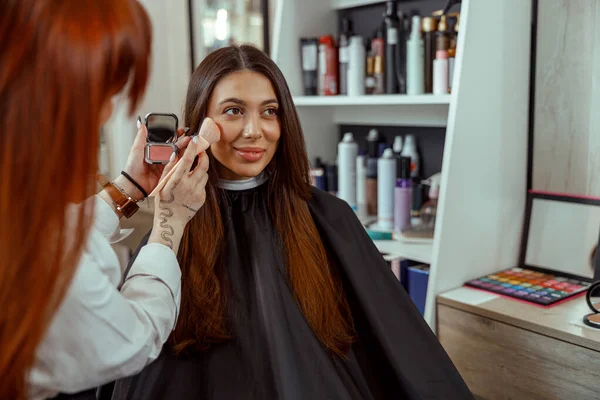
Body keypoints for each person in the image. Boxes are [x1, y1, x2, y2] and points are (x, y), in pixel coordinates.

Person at [99, 45, 474, 400]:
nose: (254, 131)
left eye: (269, 111)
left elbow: (400, 349)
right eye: (233, 111)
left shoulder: (329, 218)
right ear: (200, 123)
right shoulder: (171, 230)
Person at [0, 1, 211, 399]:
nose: (105, 111)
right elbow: (132, 338)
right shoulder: (44, 265)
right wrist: (169, 224)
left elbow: (50, 235)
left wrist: (128, 188)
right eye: (101, 92)